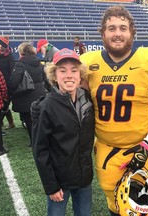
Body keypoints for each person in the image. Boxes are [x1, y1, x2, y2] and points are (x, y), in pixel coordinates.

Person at [79, 5, 148, 216]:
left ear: (132, 32)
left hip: (144, 149)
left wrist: (146, 145)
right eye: (111, 28)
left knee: (144, 207)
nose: (117, 33)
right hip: (107, 150)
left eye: (123, 27)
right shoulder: (88, 65)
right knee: (116, 205)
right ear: (102, 33)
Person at [31, 48, 95, 216]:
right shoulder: (47, 106)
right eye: (62, 70)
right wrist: (51, 185)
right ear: (54, 75)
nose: (69, 75)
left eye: (74, 70)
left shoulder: (87, 99)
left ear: (80, 74)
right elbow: (40, 150)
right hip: (60, 181)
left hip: (84, 178)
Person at [8, 42, 47, 147]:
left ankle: (34, 142)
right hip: (40, 94)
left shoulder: (20, 64)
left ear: (21, 52)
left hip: (26, 96)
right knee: (40, 119)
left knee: (30, 121)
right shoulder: (39, 63)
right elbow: (45, 79)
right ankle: (43, 140)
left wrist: (9, 91)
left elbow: (14, 82)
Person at [0, 36, 16, 130]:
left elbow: (13, 71)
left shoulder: (10, 57)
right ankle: (10, 123)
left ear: (4, 46)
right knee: (1, 105)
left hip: (7, 84)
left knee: (5, 104)